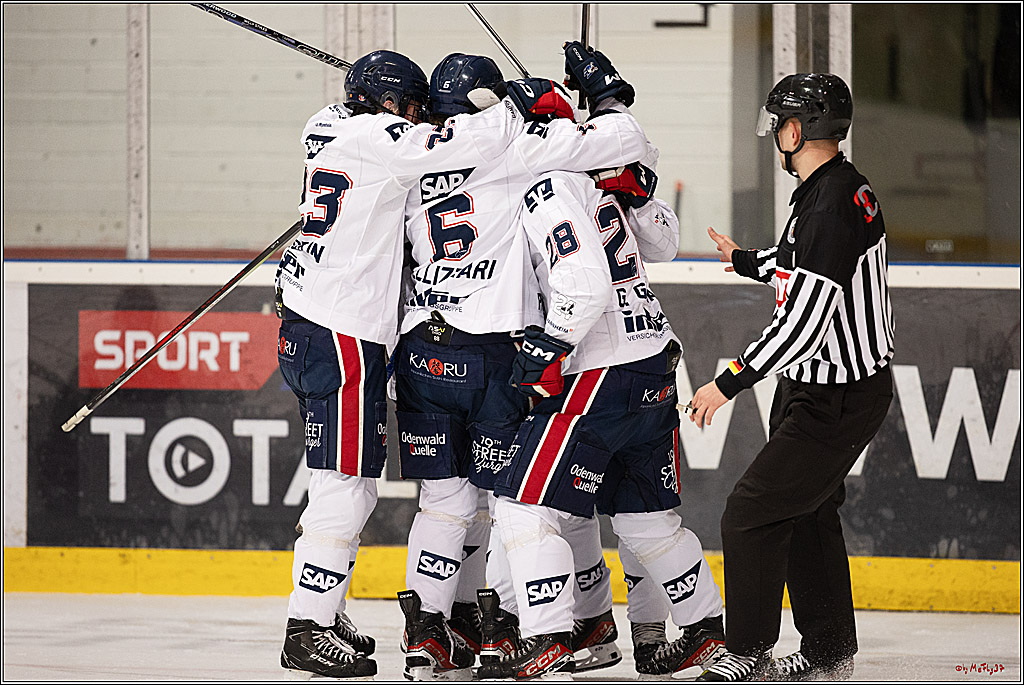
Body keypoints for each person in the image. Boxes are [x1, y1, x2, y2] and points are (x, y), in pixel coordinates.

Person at [275, 48, 585, 679]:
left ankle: (342, 613)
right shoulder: (383, 137)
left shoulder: (324, 122)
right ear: (388, 103)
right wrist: (514, 105)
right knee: (347, 487)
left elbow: (412, 149)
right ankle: (306, 626)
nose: (418, 118)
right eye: (410, 107)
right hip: (344, 333)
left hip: (307, 321)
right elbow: (443, 145)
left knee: (410, 496)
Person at [395, 45, 661, 680]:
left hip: (421, 347)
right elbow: (624, 144)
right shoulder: (517, 149)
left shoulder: (415, 155)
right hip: (497, 353)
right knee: (519, 502)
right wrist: (584, 101)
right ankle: (516, 627)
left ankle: (429, 635)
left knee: (443, 504)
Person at [488, 49, 727, 677]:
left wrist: (551, 346)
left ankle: (546, 640)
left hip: (599, 370)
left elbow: (587, 285)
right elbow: (666, 244)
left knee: (522, 506)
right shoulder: (598, 172)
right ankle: (706, 635)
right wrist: (639, 188)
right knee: (648, 522)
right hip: (652, 364)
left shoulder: (546, 187)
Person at [688, 73, 894, 682]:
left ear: (798, 129)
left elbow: (803, 322)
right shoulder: (834, 188)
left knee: (750, 512)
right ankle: (829, 651)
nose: (775, 133)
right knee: (806, 511)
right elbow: (801, 260)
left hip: (834, 396)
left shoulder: (828, 203)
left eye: (780, 122)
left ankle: (746, 651)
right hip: (821, 388)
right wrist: (745, 261)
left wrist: (726, 383)